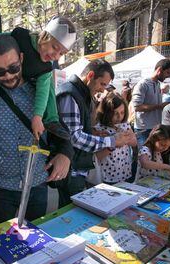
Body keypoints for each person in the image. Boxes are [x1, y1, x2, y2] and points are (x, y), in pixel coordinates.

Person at [0, 35, 73, 226]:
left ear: (21, 59)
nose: (8, 76)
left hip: (37, 185)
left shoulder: (40, 91)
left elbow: (59, 128)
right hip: (2, 189)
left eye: (13, 68)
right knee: (0, 244)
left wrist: (66, 154)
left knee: (35, 244)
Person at [0, 16, 76, 140]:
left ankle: (52, 119)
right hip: (4, 71)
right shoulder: (22, 36)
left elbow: (42, 93)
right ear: (45, 35)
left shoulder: (45, 68)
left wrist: (37, 116)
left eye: (62, 53)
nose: (56, 55)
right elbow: (3, 37)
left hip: (29, 78)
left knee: (48, 85)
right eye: (55, 47)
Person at [56, 60, 136, 208]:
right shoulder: (71, 94)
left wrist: (94, 132)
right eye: (102, 84)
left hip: (76, 167)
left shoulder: (80, 93)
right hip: (72, 170)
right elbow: (74, 137)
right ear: (90, 75)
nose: (103, 90)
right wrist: (112, 141)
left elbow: (76, 129)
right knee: (71, 213)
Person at [89, 93, 137, 184]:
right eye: (115, 113)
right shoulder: (98, 130)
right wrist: (114, 143)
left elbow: (134, 143)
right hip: (107, 175)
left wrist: (127, 138)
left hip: (124, 172)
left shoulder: (125, 125)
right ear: (106, 113)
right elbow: (97, 156)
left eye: (122, 113)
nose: (119, 117)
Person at [132, 59, 170, 146]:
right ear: (159, 70)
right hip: (143, 130)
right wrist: (160, 106)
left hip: (155, 128)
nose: (169, 76)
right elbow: (137, 107)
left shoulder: (158, 84)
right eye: (168, 72)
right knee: (143, 157)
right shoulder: (143, 84)